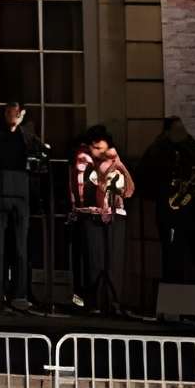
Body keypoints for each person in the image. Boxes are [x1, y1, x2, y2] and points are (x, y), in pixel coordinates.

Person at [0, 101, 47, 313]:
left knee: (21, 246)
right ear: (5, 113)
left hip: (22, 194)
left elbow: (41, 161)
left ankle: (20, 293)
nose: (13, 116)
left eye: (17, 113)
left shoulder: (28, 136)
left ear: (22, 114)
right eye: (10, 112)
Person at [67, 127, 133, 316]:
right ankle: (93, 302)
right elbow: (89, 194)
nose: (100, 153)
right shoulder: (84, 163)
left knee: (113, 261)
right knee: (94, 261)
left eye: (104, 148)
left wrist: (120, 164)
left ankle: (113, 301)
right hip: (92, 215)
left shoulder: (113, 162)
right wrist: (103, 179)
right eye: (96, 148)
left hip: (115, 214)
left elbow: (128, 190)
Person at [141, 118, 195, 286]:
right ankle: (174, 286)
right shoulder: (159, 149)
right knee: (173, 252)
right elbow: (149, 175)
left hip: (193, 210)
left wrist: (186, 142)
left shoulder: (188, 145)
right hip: (171, 209)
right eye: (176, 129)